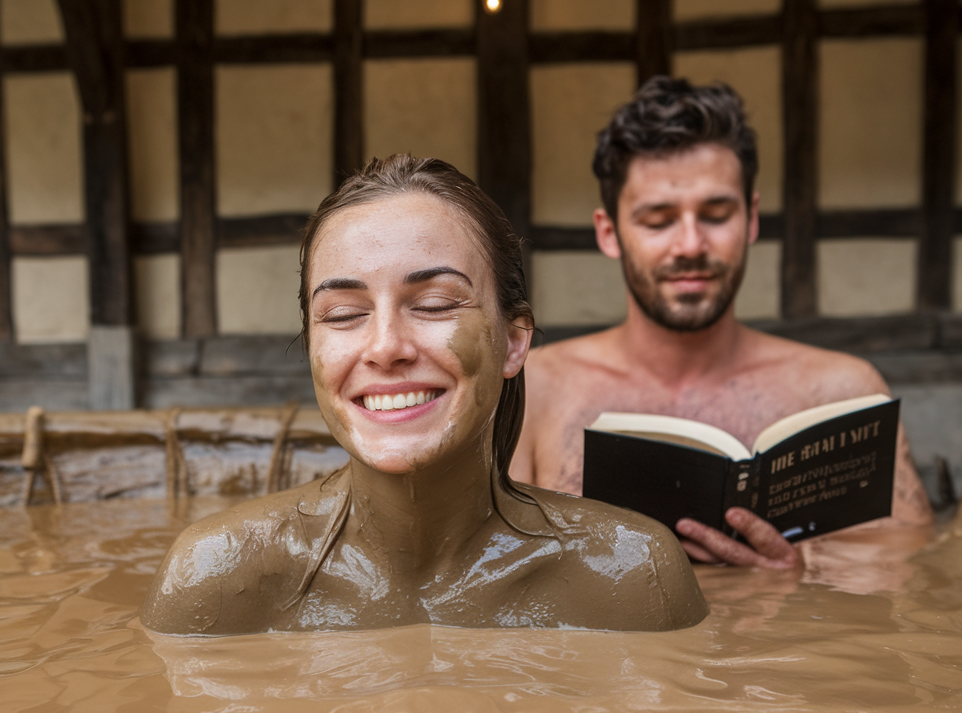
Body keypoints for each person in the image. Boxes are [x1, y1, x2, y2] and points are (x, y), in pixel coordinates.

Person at [141, 155, 708, 635]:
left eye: (435, 304)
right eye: (343, 314)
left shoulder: (633, 577)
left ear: (514, 342)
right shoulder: (215, 578)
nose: (385, 347)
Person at [510, 77, 933, 570]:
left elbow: (909, 586)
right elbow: (487, 580)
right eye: (658, 221)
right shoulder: (537, 388)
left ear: (751, 220)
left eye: (716, 214)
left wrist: (801, 578)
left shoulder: (843, 394)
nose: (690, 245)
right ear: (609, 233)